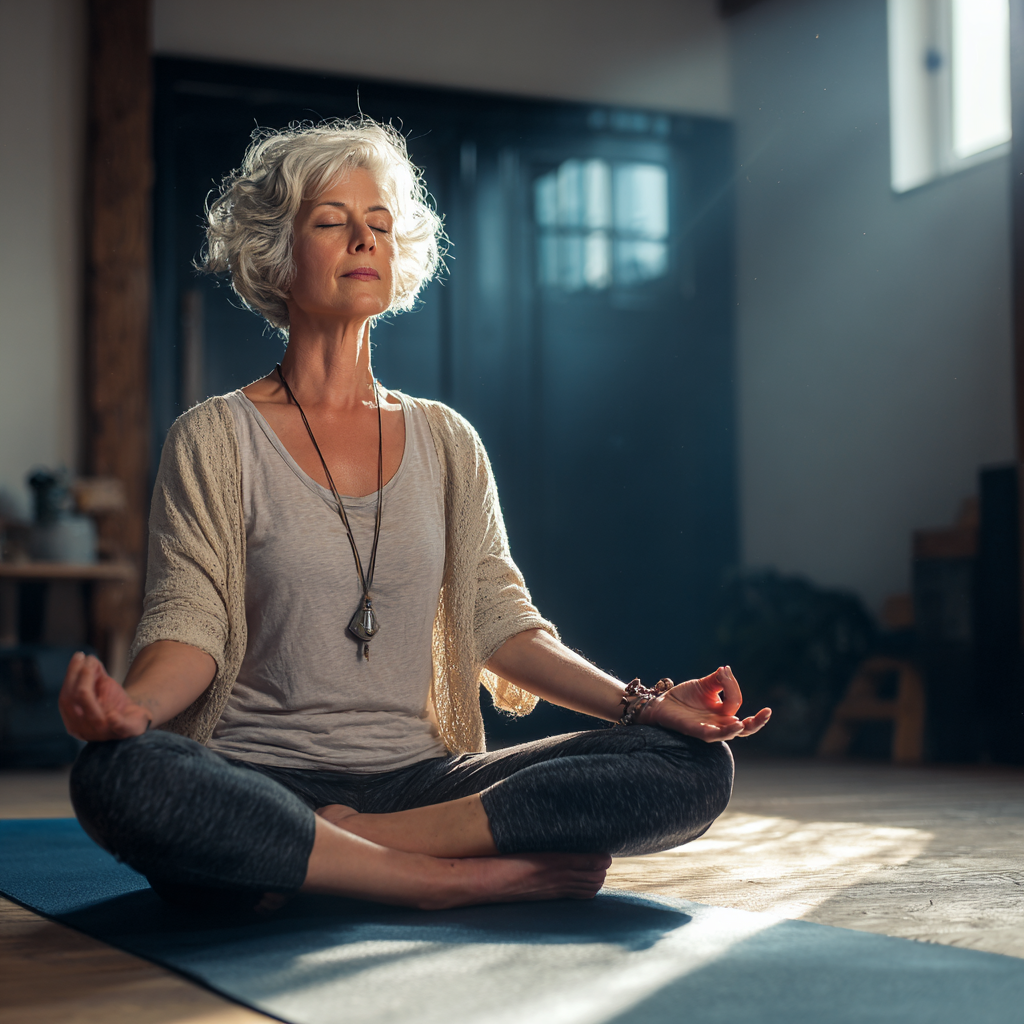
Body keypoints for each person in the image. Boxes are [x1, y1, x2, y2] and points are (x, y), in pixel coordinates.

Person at [59, 119, 770, 914]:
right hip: (258, 776)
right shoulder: (215, 438)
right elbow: (187, 624)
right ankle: (438, 880)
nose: (363, 238)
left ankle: (324, 855)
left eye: (380, 224)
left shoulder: (447, 441)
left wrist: (642, 706)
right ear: (275, 253)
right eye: (331, 221)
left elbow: (502, 622)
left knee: (690, 765)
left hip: (425, 786)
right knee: (118, 776)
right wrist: (133, 713)